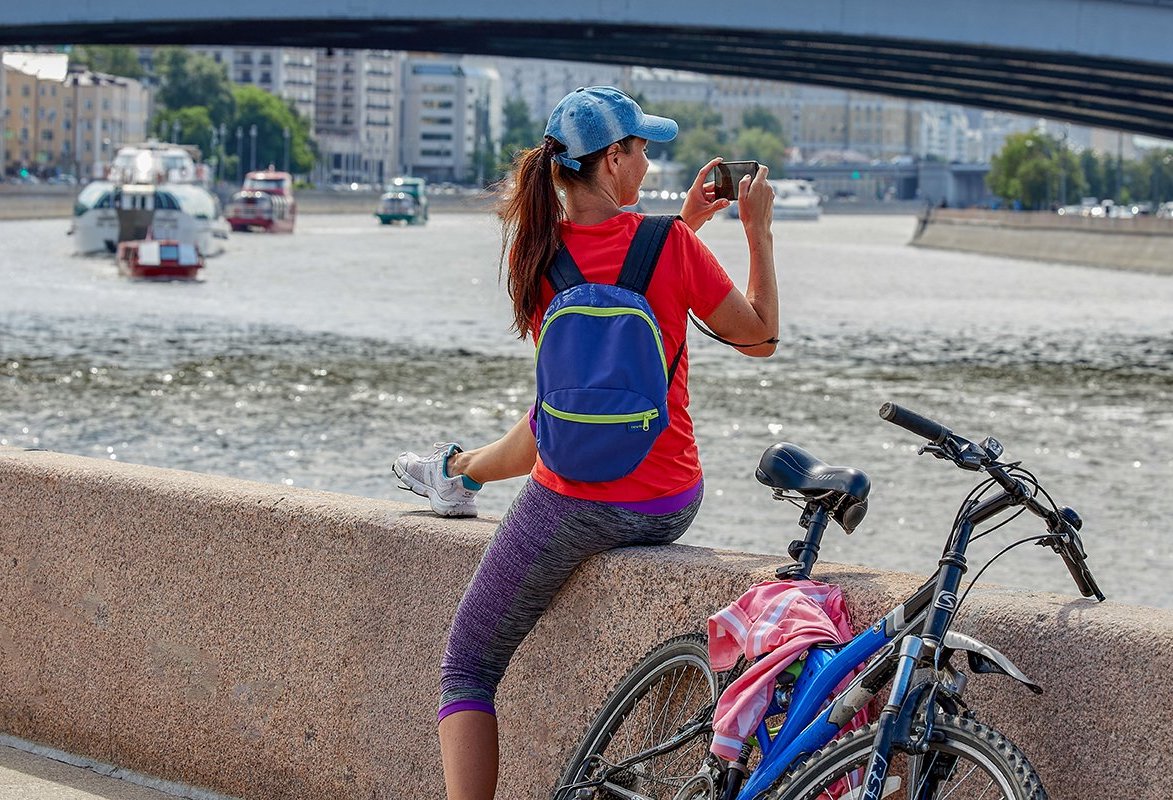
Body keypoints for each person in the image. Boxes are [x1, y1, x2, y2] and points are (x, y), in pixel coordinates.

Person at [397, 86, 778, 800]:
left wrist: (687, 222)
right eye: (639, 150)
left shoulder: (534, 253)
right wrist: (756, 231)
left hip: (571, 500)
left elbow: (585, 366)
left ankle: (456, 474)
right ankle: (457, 472)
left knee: (467, 670)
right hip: (669, 498)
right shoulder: (670, 246)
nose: (647, 162)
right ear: (611, 162)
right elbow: (760, 337)